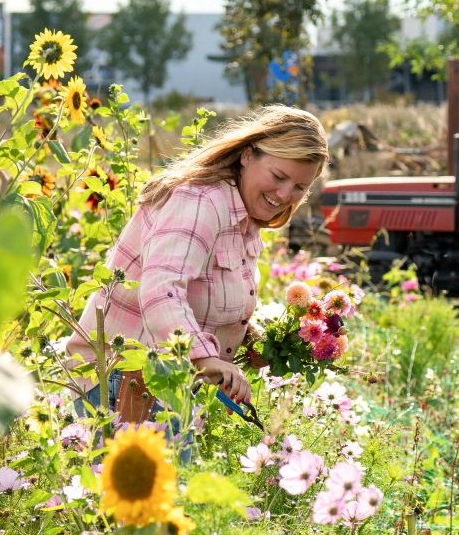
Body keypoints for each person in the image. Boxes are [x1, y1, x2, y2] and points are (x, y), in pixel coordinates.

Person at [65, 105, 328, 415]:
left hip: (160, 379)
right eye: (279, 176)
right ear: (247, 155)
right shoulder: (200, 201)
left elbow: (204, 293)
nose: (285, 195)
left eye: (300, 187)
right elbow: (161, 289)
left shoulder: (243, 217)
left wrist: (251, 339)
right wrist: (204, 359)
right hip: (120, 376)